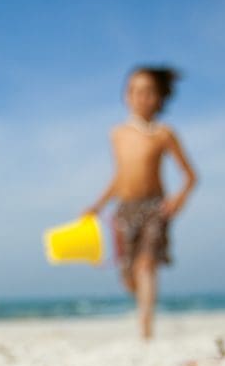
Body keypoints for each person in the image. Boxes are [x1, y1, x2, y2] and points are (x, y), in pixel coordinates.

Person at [85, 66, 199, 340]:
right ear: (126, 95)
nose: (141, 97)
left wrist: (178, 200)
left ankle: (146, 331)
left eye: (148, 92)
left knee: (147, 264)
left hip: (154, 207)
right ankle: (142, 305)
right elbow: (119, 177)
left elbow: (191, 176)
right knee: (129, 276)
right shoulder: (118, 133)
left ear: (159, 97)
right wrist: (97, 205)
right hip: (124, 208)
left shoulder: (163, 133)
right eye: (134, 91)